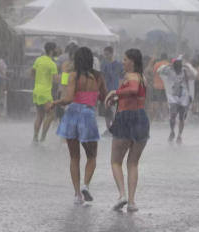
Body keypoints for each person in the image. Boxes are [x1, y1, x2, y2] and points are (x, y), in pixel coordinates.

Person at [51, 47, 107, 204]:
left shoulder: (73, 76)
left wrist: (56, 102)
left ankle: (77, 194)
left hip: (72, 115)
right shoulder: (98, 77)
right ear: (90, 60)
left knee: (74, 157)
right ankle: (86, 185)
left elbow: (68, 99)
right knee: (92, 156)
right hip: (88, 116)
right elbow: (104, 97)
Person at [105, 48, 150, 212]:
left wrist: (113, 92)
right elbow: (136, 96)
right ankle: (131, 202)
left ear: (133, 62)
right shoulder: (143, 78)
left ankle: (122, 195)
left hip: (126, 120)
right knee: (133, 163)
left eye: (125, 59)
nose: (122, 62)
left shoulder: (131, 77)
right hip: (141, 120)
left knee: (116, 161)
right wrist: (117, 98)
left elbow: (132, 89)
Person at [158, 58, 197, 144]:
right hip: (173, 96)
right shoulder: (169, 70)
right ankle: (172, 132)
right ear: (173, 67)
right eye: (177, 68)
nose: (178, 70)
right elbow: (159, 72)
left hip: (184, 96)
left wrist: (187, 66)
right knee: (173, 114)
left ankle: (179, 135)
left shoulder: (185, 71)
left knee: (182, 117)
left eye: (180, 68)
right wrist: (168, 65)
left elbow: (194, 76)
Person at [31, 42, 61, 142]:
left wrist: (41, 78)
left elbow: (32, 73)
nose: (57, 50)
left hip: (36, 91)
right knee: (51, 115)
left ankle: (35, 138)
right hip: (45, 92)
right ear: (52, 50)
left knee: (40, 116)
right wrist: (68, 76)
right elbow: (56, 79)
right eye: (56, 49)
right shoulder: (52, 63)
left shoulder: (38, 60)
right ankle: (42, 139)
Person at [100, 46, 123, 136]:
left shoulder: (118, 65)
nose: (105, 56)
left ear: (112, 53)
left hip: (115, 90)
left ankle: (114, 128)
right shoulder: (104, 64)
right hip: (106, 90)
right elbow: (102, 77)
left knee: (114, 110)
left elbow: (121, 78)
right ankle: (108, 128)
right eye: (104, 54)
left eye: (107, 54)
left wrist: (119, 90)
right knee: (106, 111)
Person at [152, 53, 169, 121]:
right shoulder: (169, 65)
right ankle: (164, 116)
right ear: (166, 58)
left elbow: (153, 73)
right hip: (165, 86)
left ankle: (157, 116)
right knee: (165, 101)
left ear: (161, 58)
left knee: (156, 101)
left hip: (156, 85)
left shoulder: (156, 65)